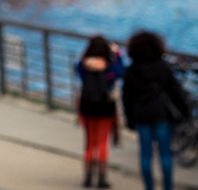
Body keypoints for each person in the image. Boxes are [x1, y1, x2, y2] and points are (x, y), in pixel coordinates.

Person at [121, 30, 189, 190]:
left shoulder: (131, 70)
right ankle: (167, 187)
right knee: (165, 154)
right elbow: (175, 91)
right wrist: (184, 111)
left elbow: (127, 98)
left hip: (141, 115)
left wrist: (129, 119)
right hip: (161, 114)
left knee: (145, 155)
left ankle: (149, 187)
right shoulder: (162, 67)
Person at [75, 35, 124, 188]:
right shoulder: (110, 67)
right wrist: (117, 54)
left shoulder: (83, 66)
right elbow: (121, 71)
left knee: (89, 143)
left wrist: (85, 54)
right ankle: (101, 179)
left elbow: (77, 68)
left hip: (87, 107)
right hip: (105, 109)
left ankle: (88, 178)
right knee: (102, 143)